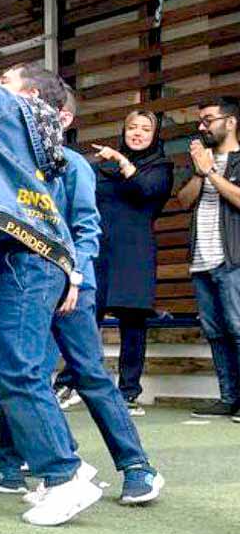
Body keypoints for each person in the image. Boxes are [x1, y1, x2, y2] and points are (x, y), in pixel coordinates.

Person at [0, 62, 161, 525]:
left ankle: (94, 470)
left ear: (29, 98)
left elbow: (83, 228)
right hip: (24, 262)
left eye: (6, 81)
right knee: (20, 370)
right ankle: (53, 463)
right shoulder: (24, 140)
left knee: (46, 373)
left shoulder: (31, 128)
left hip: (54, 273)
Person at [90, 111, 174, 412]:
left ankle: (128, 391)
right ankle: (76, 383)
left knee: (133, 322)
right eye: (132, 128)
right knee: (89, 318)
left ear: (154, 135)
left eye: (145, 129)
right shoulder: (103, 165)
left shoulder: (161, 166)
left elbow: (145, 191)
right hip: (100, 249)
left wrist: (124, 163)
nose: (137, 133)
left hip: (135, 253)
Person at [179, 97, 240, 418]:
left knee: (239, 328)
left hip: (234, 261)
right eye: (200, 122)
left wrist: (211, 172)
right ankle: (228, 398)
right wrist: (202, 173)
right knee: (215, 332)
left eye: (208, 120)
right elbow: (184, 201)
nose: (202, 127)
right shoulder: (201, 162)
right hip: (201, 262)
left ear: (230, 122)